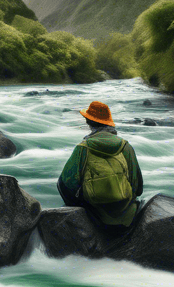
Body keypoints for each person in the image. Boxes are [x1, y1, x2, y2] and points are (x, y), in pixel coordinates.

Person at [58, 100, 143, 233]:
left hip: (94, 212)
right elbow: (138, 186)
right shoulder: (126, 146)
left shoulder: (83, 148)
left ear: (88, 122)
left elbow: (66, 182)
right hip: (126, 213)